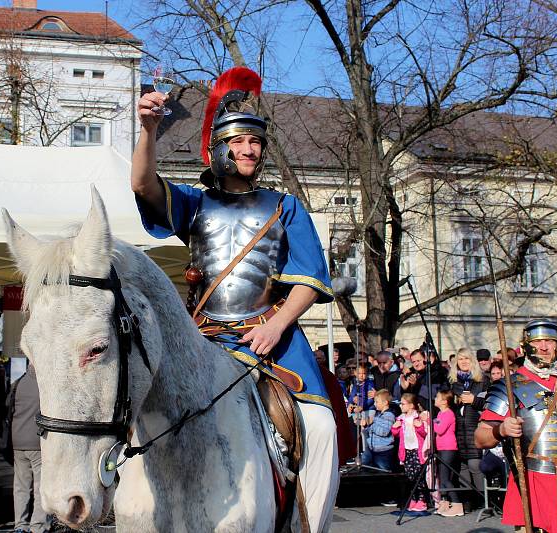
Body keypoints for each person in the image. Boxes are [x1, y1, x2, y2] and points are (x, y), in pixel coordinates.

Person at [131, 66, 338, 532]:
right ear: (219, 147)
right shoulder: (194, 203)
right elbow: (143, 184)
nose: (249, 149)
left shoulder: (285, 206)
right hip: (203, 337)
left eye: (256, 142)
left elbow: (309, 278)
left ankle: (308, 526)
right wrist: (147, 129)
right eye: (239, 141)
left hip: (269, 337)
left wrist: (277, 324)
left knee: (321, 428)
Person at [476, 318, 557, 533]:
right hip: (533, 480)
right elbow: (480, 438)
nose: (544, 347)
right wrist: (502, 430)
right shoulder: (509, 385)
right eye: (538, 342)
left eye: (549, 341)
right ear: (525, 347)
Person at [11, 365, 52, 533]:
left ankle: (20, 524)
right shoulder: (46, 384)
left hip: (18, 440)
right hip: (38, 442)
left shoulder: (18, 382)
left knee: (21, 486)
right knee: (40, 486)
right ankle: (38, 525)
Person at [449, 347, 486, 505]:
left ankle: (485, 500)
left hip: (475, 427)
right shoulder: (453, 382)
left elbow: (489, 404)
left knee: (474, 465)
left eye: (467, 359)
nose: (463, 362)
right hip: (458, 429)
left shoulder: (482, 380)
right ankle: (467, 501)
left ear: (473, 361)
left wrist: (474, 401)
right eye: (460, 359)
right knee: (462, 465)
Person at [392, 393, 430, 512]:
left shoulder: (418, 417)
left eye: (403, 404)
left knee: (419, 476)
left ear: (411, 405)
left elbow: (425, 433)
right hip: (407, 450)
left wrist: (419, 427)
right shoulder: (401, 418)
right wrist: (395, 427)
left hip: (417, 450)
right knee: (410, 476)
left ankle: (422, 500)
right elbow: (395, 433)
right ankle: (413, 499)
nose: (401, 406)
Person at [432, 390, 462, 517]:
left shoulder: (448, 414)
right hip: (441, 447)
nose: (435, 398)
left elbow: (440, 429)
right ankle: (445, 502)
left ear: (444, 401)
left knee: (446, 477)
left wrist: (432, 421)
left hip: (449, 448)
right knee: (441, 477)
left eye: (438, 397)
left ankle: (457, 504)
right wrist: (435, 420)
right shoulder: (440, 413)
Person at [361, 389, 396, 472]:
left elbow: (383, 432)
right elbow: (372, 429)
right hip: (372, 448)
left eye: (377, 402)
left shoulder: (389, 416)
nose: (374, 404)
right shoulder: (378, 415)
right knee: (364, 466)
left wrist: (372, 422)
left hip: (383, 452)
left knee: (383, 471)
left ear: (385, 403)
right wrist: (366, 426)